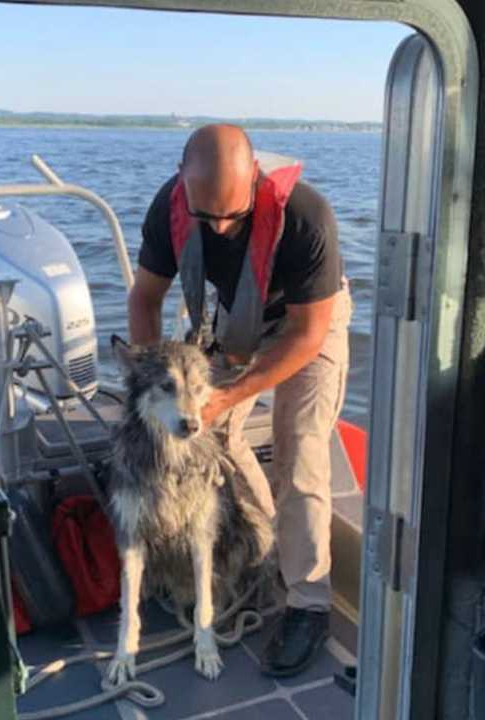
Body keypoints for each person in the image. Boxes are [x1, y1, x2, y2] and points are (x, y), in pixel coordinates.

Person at [127, 124, 351, 677]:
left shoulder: (306, 216)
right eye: (207, 218)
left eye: (235, 215)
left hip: (308, 323)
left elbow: (305, 335)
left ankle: (308, 603)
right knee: (216, 438)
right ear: (182, 187)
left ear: (254, 178)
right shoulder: (169, 208)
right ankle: (268, 544)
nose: (222, 228)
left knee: (299, 450)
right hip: (238, 318)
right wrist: (147, 380)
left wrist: (229, 393)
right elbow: (146, 298)